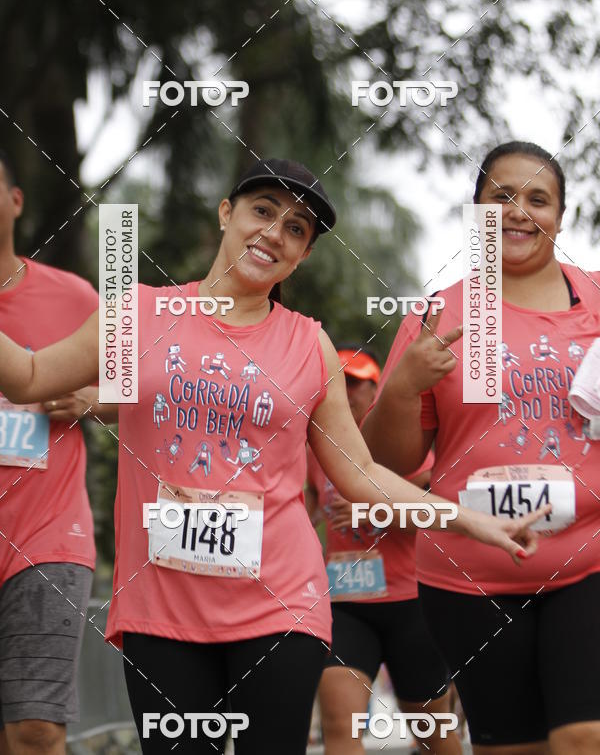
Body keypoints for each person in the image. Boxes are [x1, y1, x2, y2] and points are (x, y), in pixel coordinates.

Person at [0, 158, 548, 755]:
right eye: (263, 211)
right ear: (226, 214)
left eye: (296, 229)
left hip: (280, 604)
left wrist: (467, 518)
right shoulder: (138, 314)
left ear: (302, 255)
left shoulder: (308, 345)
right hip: (160, 607)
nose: (274, 233)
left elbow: (360, 475)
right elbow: (28, 377)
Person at [363, 141, 600, 755]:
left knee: (582, 736)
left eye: (538, 199)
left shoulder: (597, 303)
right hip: (470, 579)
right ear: (477, 212)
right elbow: (388, 463)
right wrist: (400, 391)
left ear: (560, 217)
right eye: (502, 196)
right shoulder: (438, 315)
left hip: (588, 561)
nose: (519, 211)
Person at [0, 152, 115, 755]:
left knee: (36, 728)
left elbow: (144, 394)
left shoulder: (75, 297)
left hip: (47, 537)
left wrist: (92, 399)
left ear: (16, 201)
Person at [306, 346, 461, 755]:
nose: (348, 391)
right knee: (341, 725)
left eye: (358, 382)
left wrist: (370, 504)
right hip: (346, 603)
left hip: (412, 602)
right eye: (340, 381)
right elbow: (302, 513)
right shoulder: (313, 447)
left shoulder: (402, 444)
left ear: (376, 389)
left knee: (432, 732)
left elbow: (437, 514)